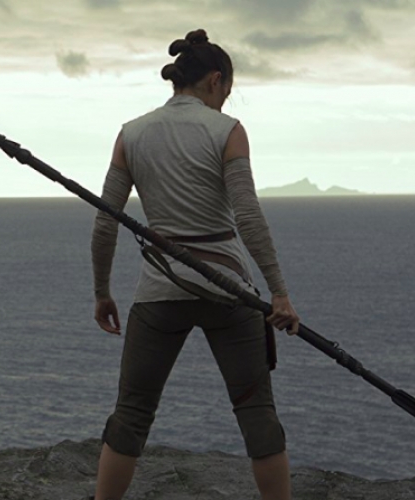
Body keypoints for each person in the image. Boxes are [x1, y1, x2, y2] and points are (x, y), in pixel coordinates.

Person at [90, 29, 300, 500]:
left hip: (159, 291)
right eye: (226, 90)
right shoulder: (227, 131)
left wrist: (102, 292)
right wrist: (279, 293)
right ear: (215, 80)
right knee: (257, 415)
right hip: (230, 292)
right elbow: (247, 216)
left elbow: (105, 222)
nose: (224, 101)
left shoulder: (131, 134)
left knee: (132, 415)